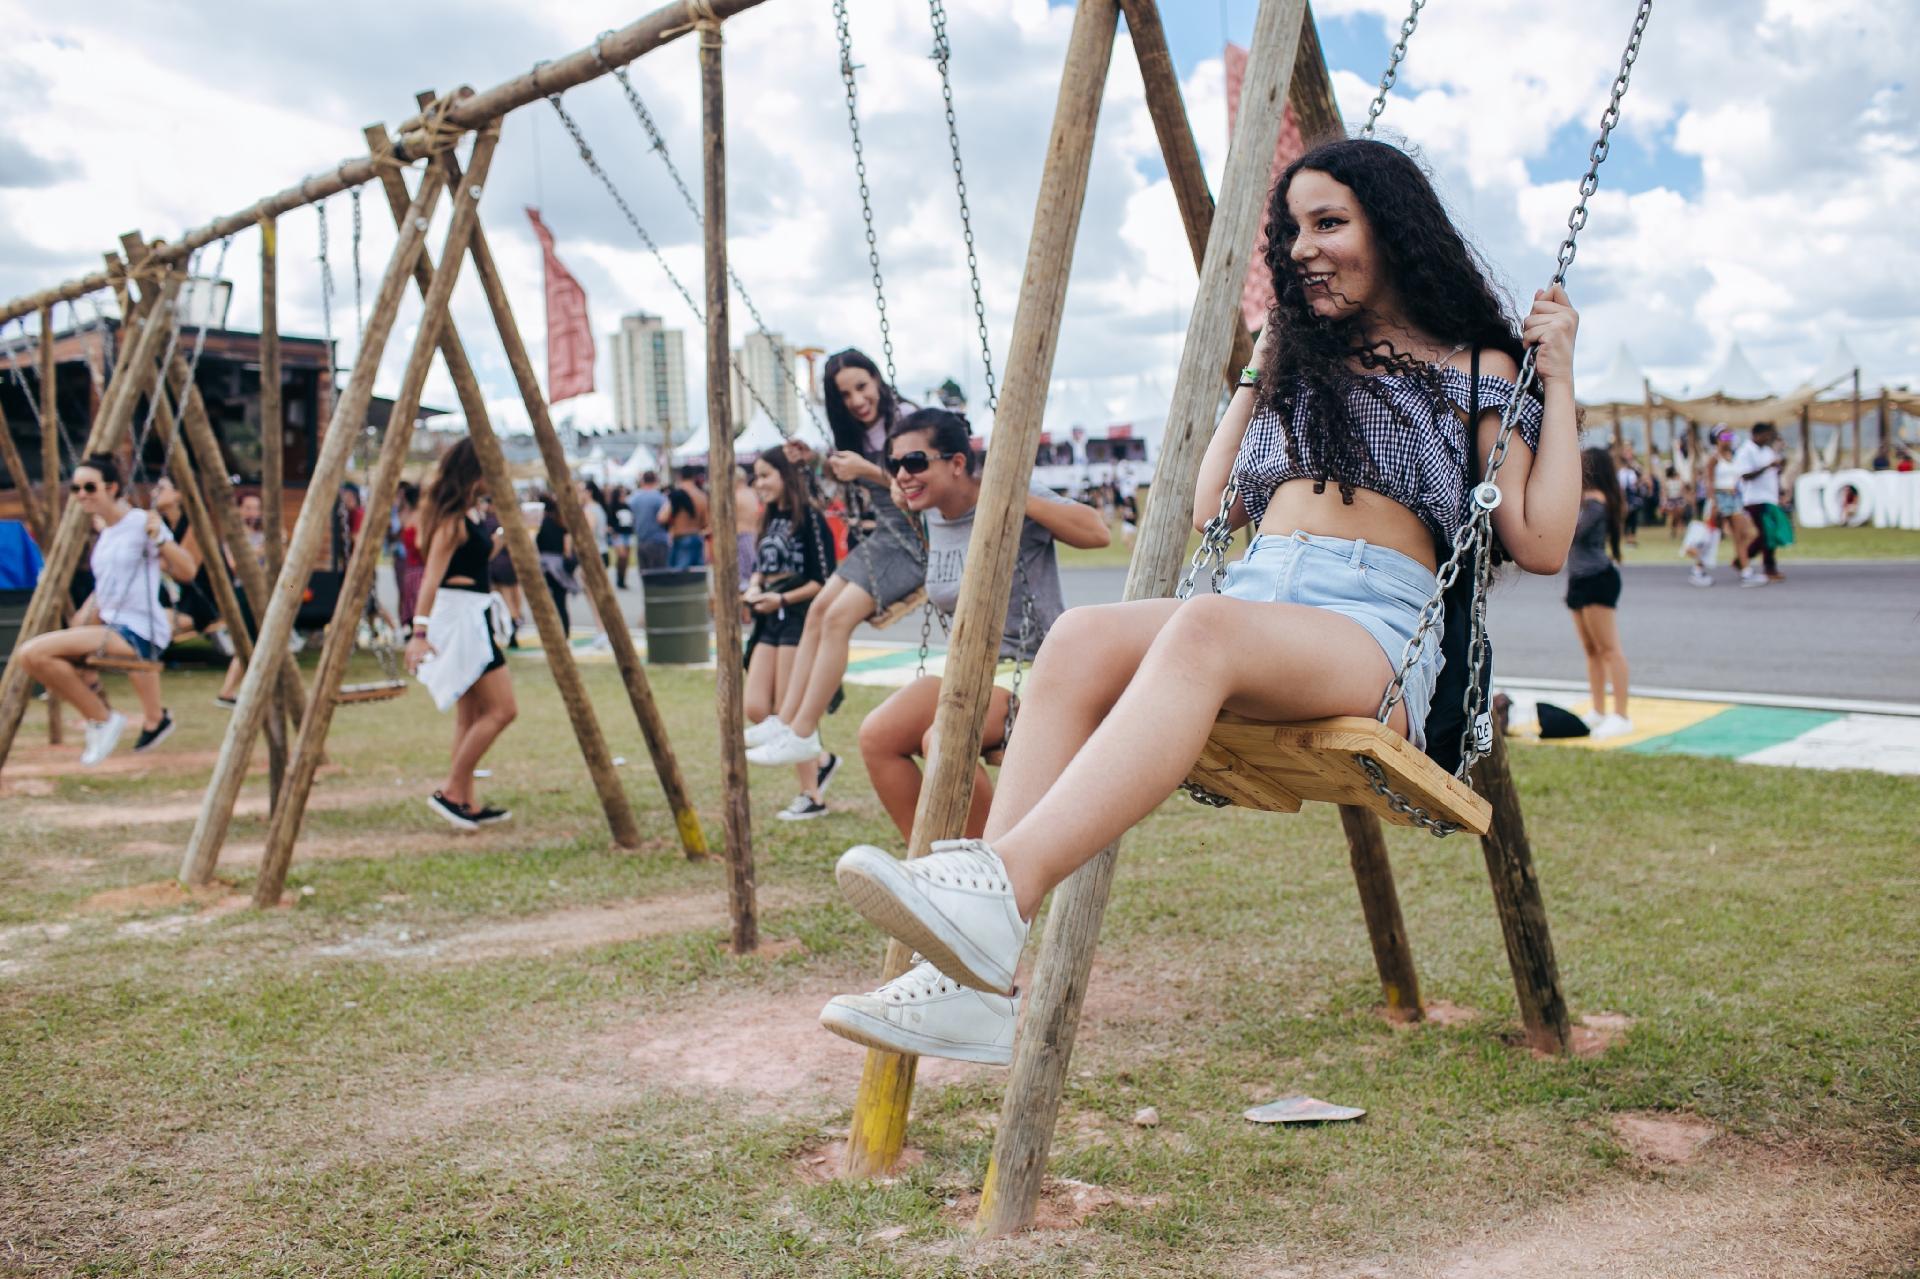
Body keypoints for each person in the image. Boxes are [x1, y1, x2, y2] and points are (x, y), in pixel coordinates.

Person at [814, 138, 1581, 1064]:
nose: (1303, 247)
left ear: (1393, 229)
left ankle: (997, 891)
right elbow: (1214, 508)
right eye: (1291, 230)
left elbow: (1539, 540)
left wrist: (1558, 377)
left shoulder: (1477, 364)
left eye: (1329, 223)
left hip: (1374, 631)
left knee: (1204, 626)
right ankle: (979, 986)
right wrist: (1260, 370)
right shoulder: (1305, 362)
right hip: (1260, 596)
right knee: (1081, 637)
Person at [847, 409, 1108, 849]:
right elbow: (900, 485)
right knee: (878, 734)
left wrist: (1010, 496)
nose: (903, 475)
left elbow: (1097, 532)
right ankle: (926, 864)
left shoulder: (1010, 493)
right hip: (971, 668)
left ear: (957, 463)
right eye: (895, 464)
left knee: (943, 739)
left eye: (915, 462)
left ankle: (992, 861)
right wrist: (892, 476)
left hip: (1034, 669)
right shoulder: (927, 504)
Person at [746, 348, 923, 771]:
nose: (857, 401)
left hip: (919, 542)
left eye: (862, 387)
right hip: (884, 536)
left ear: (877, 379)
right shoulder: (856, 432)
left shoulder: (909, 420)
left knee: (838, 619)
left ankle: (805, 732)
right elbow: (841, 483)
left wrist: (868, 470)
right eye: (845, 395)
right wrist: (815, 461)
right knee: (818, 612)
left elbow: (925, 487)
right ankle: (786, 721)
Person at [16, 454, 195, 763]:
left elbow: (187, 570)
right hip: (113, 626)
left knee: (32, 653)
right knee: (38, 659)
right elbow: (104, 591)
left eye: (89, 487)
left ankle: (102, 719)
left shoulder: (141, 522)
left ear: (112, 488)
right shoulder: (107, 533)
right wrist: (80, 623)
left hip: (139, 632)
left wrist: (161, 539)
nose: (81, 494)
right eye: (76, 488)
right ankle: (101, 717)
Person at [405, 439, 517, 831]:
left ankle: (466, 801)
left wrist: (502, 534)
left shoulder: (470, 513)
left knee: (469, 715)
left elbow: (475, 560)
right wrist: (419, 632)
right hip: (460, 619)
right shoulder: (451, 521)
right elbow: (431, 579)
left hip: (473, 613)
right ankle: (452, 791)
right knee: (503, 710)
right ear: (475, 471)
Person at [738, 448, 839, 821]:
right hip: (769, 617)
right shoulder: (769, 517)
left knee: (788, 709)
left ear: (786, 475)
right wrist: (754, 587)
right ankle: (822, 759)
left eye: (766, 475)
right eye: (756, 476)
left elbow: (823, 579)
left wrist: (781, 597)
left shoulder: (810, 518)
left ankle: (811, 795)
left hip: (798, 616)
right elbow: (761, 565)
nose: (758, 483)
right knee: (756, 707)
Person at [1566, 447, 1631, 738]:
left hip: (1597, 578)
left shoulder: (1595, 503)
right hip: (1579, 579)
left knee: (1609, 649)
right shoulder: (1585, 501)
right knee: (1591, 650)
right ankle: (1598, 709)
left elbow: (1572, 532)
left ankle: (1621, 714)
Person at [1735, 422, 1786, 585]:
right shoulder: (1746, 451)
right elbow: (1745, 475)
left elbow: (1774, 473)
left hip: (1770, 498)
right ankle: (1766, 567)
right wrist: (1767, 466)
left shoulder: (1767, 451)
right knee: (1765, 535)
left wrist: (1779, 466)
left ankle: (1743, 559)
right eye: (1766, 435)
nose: (1768, 438)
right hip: (1754, 499)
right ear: (1756, 435)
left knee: (1771, 534)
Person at [535, 497, 579, 636]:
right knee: (561, 602)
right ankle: (565, 632)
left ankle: (555, 632)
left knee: (548, 603)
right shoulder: (561, 523)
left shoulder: (540, 524)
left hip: (545, 566)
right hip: (559, 567)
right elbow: (567, 548)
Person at [661, 466, 708, 569]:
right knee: (697, 574)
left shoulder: (677, 495)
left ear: (680, 476)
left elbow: (662, 517)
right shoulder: (702, 496)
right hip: (697, 538)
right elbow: (706, 522)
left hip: (681, 538)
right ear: (694, 477)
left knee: (679, 575)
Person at [394, 480, 426, 628]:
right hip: (420, 569)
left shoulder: (405, 517)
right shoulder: (419, 518)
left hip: (410, 569)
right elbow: (420, 544)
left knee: (411, 608)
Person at [628, 471, 670, 574]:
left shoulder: (633, 499)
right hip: (658, 541)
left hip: (641, 541)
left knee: (645, 575)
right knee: (659, 574)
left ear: (642, 481)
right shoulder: (661, 498)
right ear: (656, 481)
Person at [733, 461, 763, 591]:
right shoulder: (752, 493)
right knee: (753, 572)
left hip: (742, 537)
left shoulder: (735, 496)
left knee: (745, 578)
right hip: (755, 536)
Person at [607, 483, 636, 588]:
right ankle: (619, 577)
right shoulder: (613, 507)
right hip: (618, 534)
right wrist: (613, 533)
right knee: (621, 556)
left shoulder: (627, 506)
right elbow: (609, 523)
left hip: (628, 533)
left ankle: (623, 580)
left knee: (626, 558)